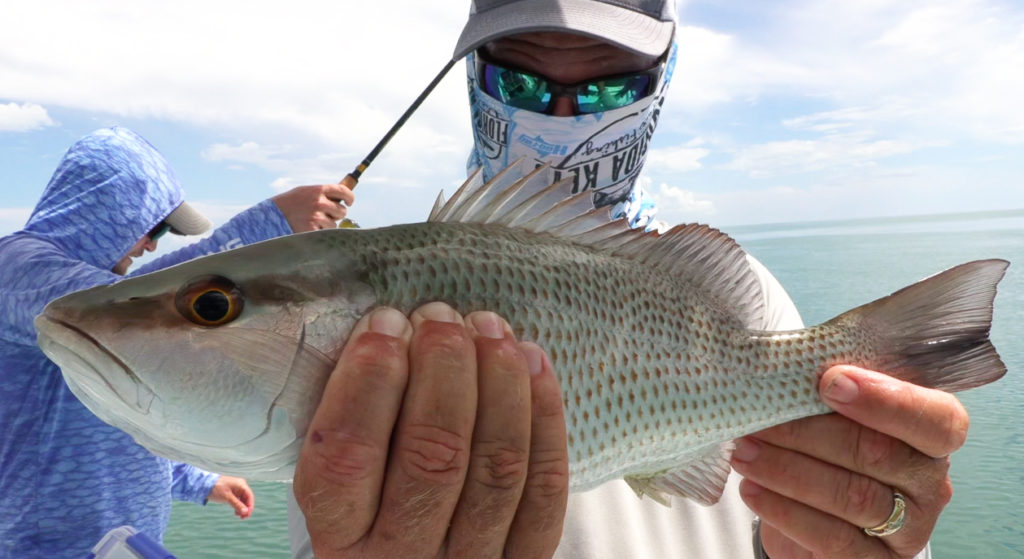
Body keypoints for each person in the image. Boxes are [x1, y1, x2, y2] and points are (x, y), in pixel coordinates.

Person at [290, 1, 968, 557]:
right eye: (520, 83)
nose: (561, 115)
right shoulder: (363, 321)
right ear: (474, 76)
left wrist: (861, 529)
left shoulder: (750, 300)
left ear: (660, 86)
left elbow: (803, 522)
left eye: (611, 86)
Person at [0, 126, 355, 558]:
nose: (150, 245)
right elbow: (119, 301)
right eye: (157, 228)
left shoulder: (102, 328)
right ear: (108, 210)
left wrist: (200, 480)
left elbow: (124, 421)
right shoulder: (17, 264)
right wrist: (270, 224)